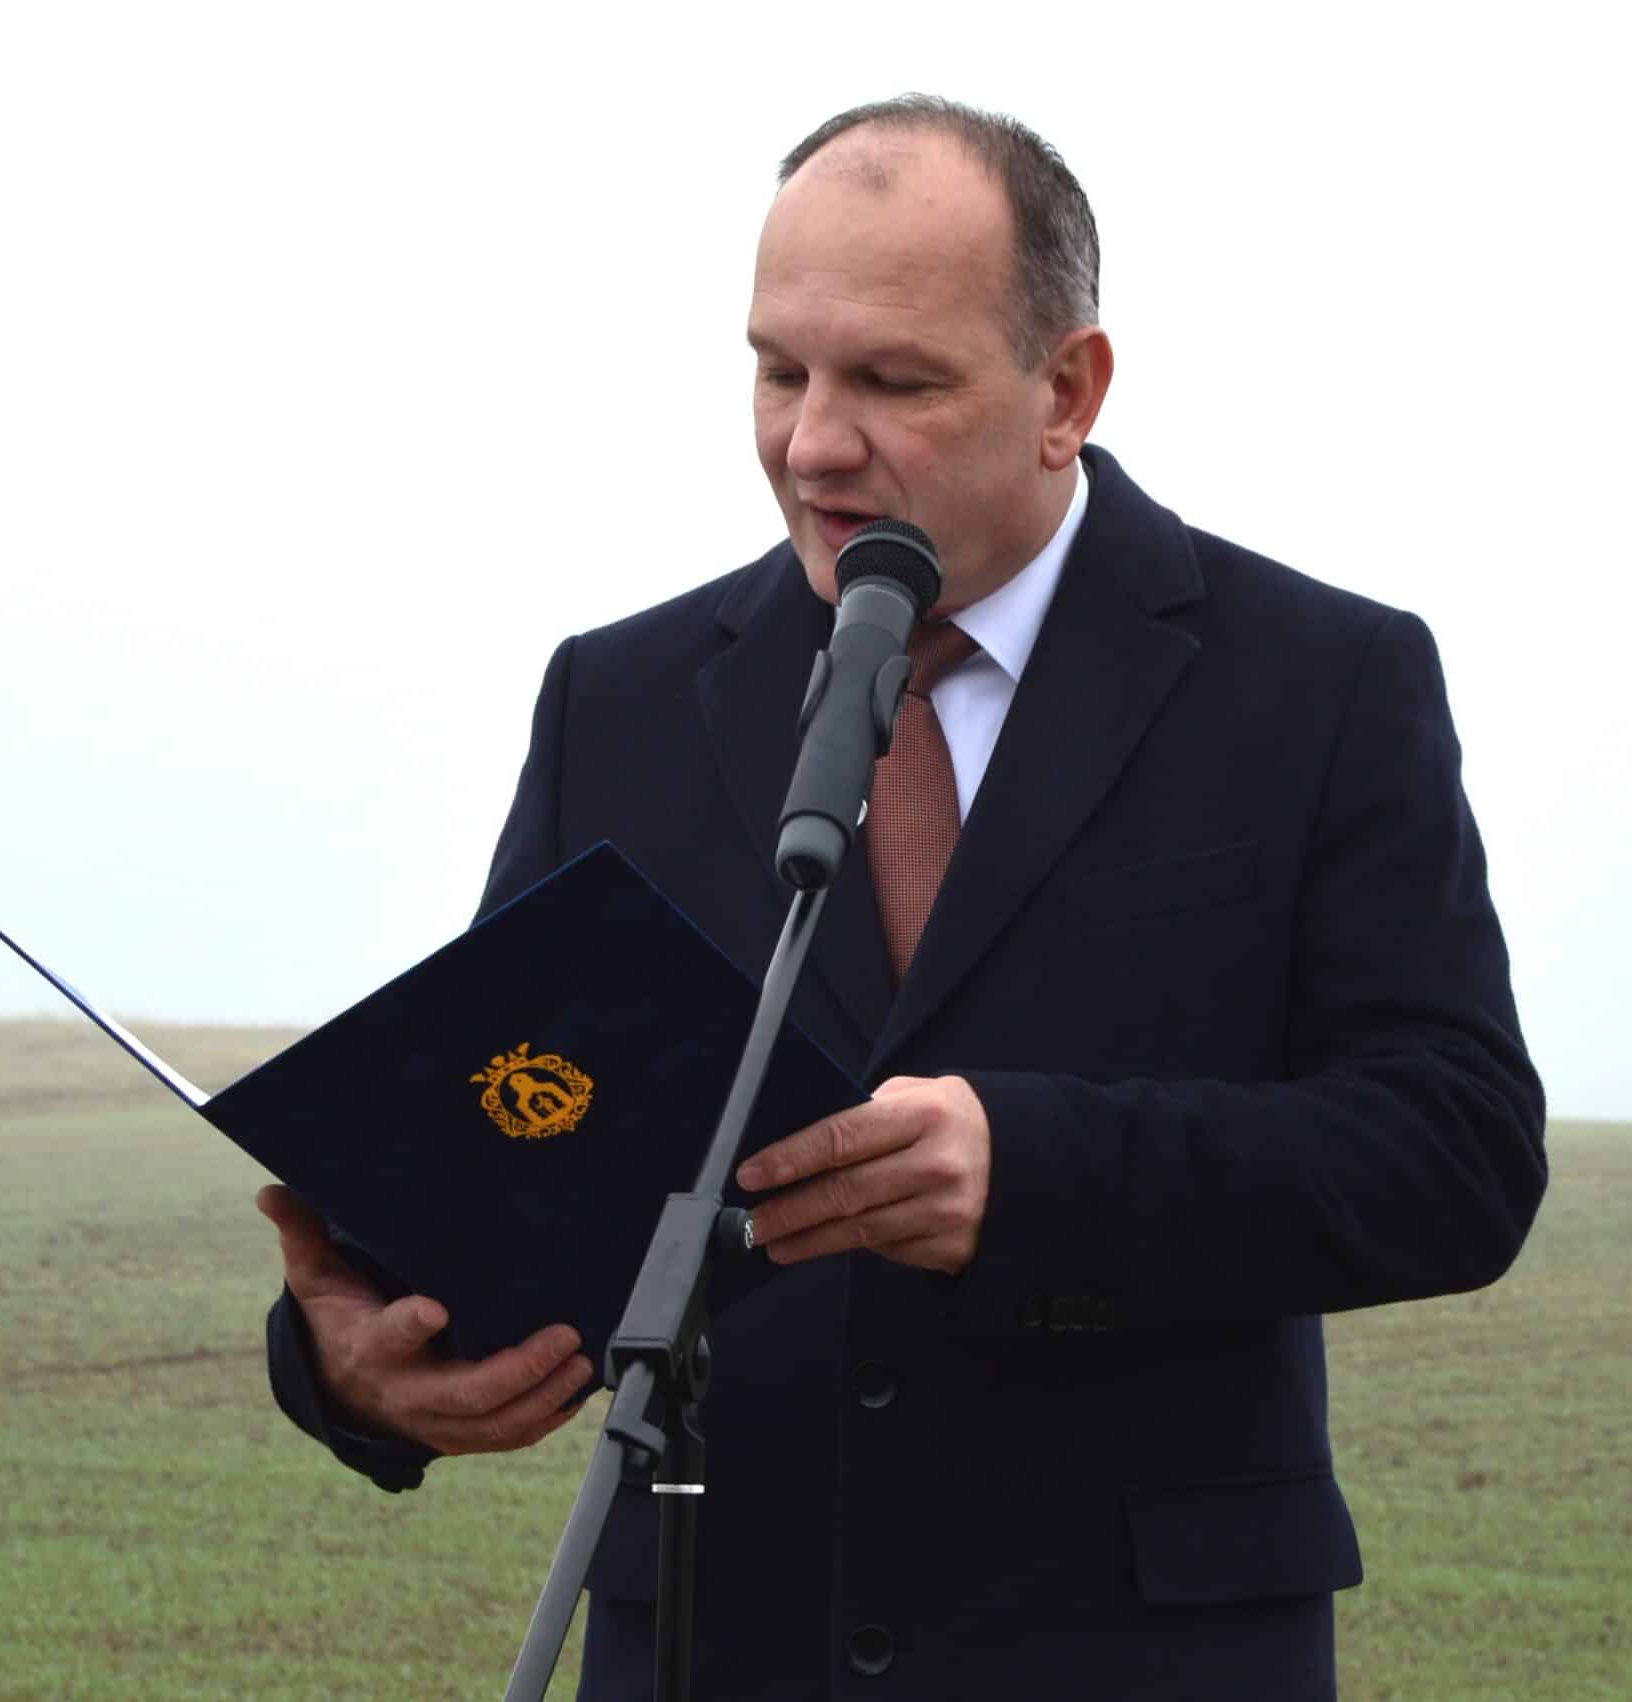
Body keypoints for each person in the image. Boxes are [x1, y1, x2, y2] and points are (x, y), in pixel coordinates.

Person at [257, 94, 1546, 1700]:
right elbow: (514, 1147)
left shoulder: (1319, 684)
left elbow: (1458, 1150)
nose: (812, 440)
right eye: (778, 369)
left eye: (892, 381)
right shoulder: (621, 703)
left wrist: (1038, 1172)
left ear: (1066, 391)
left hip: (1136, 1661)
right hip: (713, 1651)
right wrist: (350, 1356)